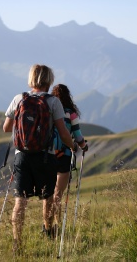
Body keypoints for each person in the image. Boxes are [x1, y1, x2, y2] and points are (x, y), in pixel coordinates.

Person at [3, 65, 76, 252]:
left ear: (31, 78)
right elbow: (63, 132)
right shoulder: (53, 102)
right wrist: (73, 146)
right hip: (45, 156)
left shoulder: (19, 98)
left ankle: (16, 242)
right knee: (48, 197)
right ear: (49, 80)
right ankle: (48, 230)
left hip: (22, 156)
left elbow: (6, 128)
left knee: (20, 201)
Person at [47, 84, 88, 233]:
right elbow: (77, 136)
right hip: (64, 156)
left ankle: (47, 225)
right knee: (58, 193)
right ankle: (57, 225)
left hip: (49, 154)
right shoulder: (71, 114)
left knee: (49, 193)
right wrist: (83, 146)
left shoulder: (49, 110)